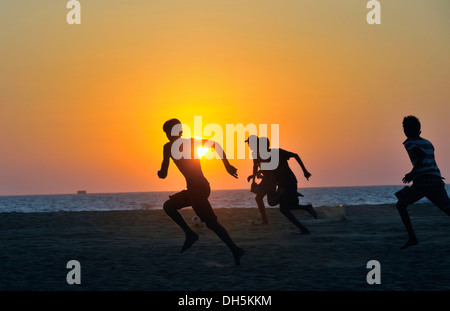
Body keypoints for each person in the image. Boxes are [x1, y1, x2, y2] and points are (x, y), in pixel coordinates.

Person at [158, 118, 245, 265]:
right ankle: (190, 234)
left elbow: (215, 145)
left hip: (199, 189)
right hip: (193, 190)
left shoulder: (188, 143)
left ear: (179, 132)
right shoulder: (170, 147)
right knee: (168, 206)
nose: (168, 135)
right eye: (166, 132)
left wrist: (227, 166)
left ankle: (235, 249)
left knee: (212, 223)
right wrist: (161, 172)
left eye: (169, 132)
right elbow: (164, 173)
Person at [395, 115, 450, 249]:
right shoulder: (428, 142)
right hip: (436, 179)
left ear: (410, 129)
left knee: (401, 205)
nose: (404, 130)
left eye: (405, 127)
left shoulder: (409, 142)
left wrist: (411, 174)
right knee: (447, 209)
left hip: (424, 181)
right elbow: (427, 159)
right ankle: (412, 238)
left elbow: (421, 156)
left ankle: (412, 238)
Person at [246, 136, 317, 233]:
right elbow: (265, 171)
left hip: (289, 182)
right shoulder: (263, 156)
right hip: (282, 184)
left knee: (283, 209)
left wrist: (305, 171)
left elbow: (295, 155)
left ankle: (304, 227)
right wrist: (255, 177)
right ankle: (304, 207)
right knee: (280, 204)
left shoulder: (276, 152)